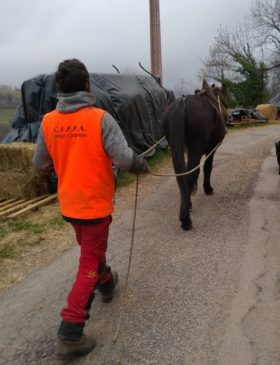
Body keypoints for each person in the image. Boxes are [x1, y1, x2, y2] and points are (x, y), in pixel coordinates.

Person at [33, 59, 150, 360]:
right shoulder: (100, 118)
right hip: (95, 206)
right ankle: (70, 332)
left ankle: (107, 282)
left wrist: (64, 157)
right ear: (87, 86)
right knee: (87, 264)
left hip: (70, 205)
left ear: (59, 89)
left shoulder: (48, 122)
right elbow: (124, 158)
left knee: (90, 254)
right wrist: (139, 164)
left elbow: (40, 164)